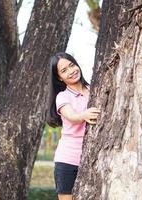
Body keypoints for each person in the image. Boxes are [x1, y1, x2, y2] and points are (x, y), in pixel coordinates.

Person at [47, 52, 101, 200]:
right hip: (68, 159)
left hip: (95, 157)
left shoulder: (94, 89)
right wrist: (84, 115)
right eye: (64, 70)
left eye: (72, 65)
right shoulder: (63, 97)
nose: (71, 71)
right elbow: (72, 116)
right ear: (59, 77)